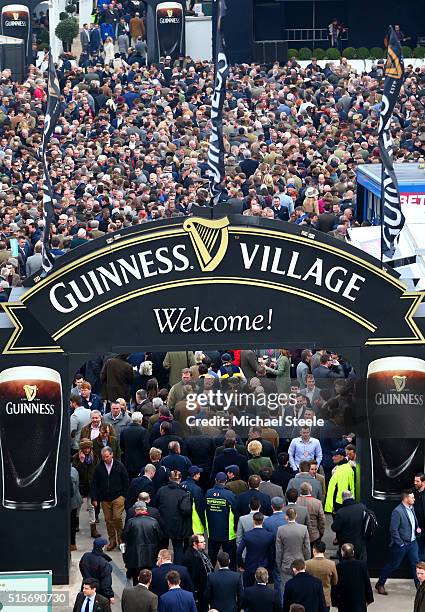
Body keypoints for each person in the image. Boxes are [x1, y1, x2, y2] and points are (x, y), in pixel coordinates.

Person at [375, 490, 421, 594]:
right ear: (406, 499)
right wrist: (400, 543)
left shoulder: (411, 508)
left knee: (416, 565)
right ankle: (380, 584)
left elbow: (413, 523)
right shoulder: (397, 511)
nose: (414, 499)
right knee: (393, 565)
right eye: (412, 497)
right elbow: (393, 530)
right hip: (402, 545)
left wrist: (417, 529)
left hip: (413, 543)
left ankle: (420, 588)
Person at [90, 446, 129, 551]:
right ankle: (112, 540)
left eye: (107, 456)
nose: (105, 459)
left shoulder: (119, 466)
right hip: (104, 498)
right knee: (108, 520)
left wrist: (124, 496)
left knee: (117, 517)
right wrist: (94, 498)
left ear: (111, 455)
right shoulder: (99, 468)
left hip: (118, 496)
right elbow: (94, 483)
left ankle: (121, 538)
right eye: (103, 457)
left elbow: (126, 480)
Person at [122, 501, 163, 585]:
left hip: (135, 555)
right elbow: (160, 537)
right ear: (145, 509)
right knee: (149, 576)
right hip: (151, 554)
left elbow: (124, 537)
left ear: (136, 510)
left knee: (136, 578)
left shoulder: (131, 522)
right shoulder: (153, 521)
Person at [156, 470, 193, 564]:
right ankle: (177, 568)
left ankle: (161, 563)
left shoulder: (161, 490)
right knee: (178, 547)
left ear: (169, 478)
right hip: (178, 526)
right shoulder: (183, 493)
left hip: (163, 524)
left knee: (163, 546)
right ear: (180, 479)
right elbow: (186, 510)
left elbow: (155, 505)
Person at [205, 472, 238, 569]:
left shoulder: (208, 493)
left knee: (211, 557)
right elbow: (236, 511)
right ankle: (231, 576)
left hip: (212, 531)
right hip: (228, 532)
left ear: (215, 480)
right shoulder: (230, 495)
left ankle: (209, 575)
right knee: (230, 558)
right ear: (225, 481)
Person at [332, 543, 373, 611]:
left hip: (344, 601)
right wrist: (369, 599)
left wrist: (334, 601)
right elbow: (367, 582)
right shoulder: (362, 565)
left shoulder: (339, 567)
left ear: (342, 553)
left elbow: (335, 585)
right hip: (359, 601)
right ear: (353, 552)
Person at [237, 512, 275, 586]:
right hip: (264, 566)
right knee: (263, 590)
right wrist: (270, 566)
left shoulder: (247, 535)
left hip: (249, 566)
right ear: (263, 521)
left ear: (253, 521)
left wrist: (241, 564)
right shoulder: (269, 535)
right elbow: (272, 553)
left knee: (247, 589)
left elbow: (239, 551)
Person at [275, 508, 310, 587]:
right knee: (300, 586)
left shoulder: (280, 530)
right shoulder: (303, 529)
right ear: (296, 516)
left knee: (285, 587)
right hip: (300, 562)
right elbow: (307, 548)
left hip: (286, 563)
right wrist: (307, 561)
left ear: (286, 517)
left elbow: (279, 550)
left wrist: (279, 564)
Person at [331, 490, 366, 560]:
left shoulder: (341, 512)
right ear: (352, 496)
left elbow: (335, 528)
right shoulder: (362, 507)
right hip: (359, 541)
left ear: (342, 499)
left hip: (345, 542)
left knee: (345, 563)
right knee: (359, 561)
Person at [183, 534, 213, 612]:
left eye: (204, 541)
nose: (205, 543)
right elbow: (191, 576)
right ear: (195, 544)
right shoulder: (190, 557)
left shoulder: (201, 553)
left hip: (204, 587)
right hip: (199, 591)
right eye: (202, 542)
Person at [79, 539, 114, 604]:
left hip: (86, 587)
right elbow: (106, 581)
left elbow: (81, 568)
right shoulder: (104, 563)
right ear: (102, 547)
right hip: (99, 592)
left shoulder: (85, 556)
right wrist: (110, 595)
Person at [305, 541, 338, 611]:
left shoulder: (307, 564)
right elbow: (335, 581)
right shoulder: (331, 564)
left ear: (314, 550)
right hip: (325, 598)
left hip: (311, 598)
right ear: (324, 550)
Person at [120, 411, 150, 480]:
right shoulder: (143, 432)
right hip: (140, 462)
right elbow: (146, 447)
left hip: (127, 461)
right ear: (141, 420)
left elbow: (121, 445)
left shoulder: (124, 431)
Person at [324, 449, 355, 514]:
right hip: (340, 503)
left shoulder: (343, 469)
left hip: (339, 504)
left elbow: (340, 489)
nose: (333, 458)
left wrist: (333, 506)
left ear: (342, 457)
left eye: (335, 456)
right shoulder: (341, 467)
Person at [297, 482, 325, 550]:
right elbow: (322, 519)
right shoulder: (317, 503)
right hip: (314, 534)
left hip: (298, 533)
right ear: (310, 490)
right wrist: (321, 532)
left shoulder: (296, 501)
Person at [70, 466, 82, 551]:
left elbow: (72, 490)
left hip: (72, 502)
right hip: (74, 501)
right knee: (73, 522)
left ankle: (72, 543)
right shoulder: (74, 470)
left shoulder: (71, 473)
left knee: (71, 523)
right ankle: (72, 543)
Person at [414, 474, 425, 561]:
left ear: (423, 482)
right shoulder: (413, 494)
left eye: (417, 481)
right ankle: (420, 573)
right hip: (418, 529)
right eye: (415, 481)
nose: (415, 483)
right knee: (419, 553)